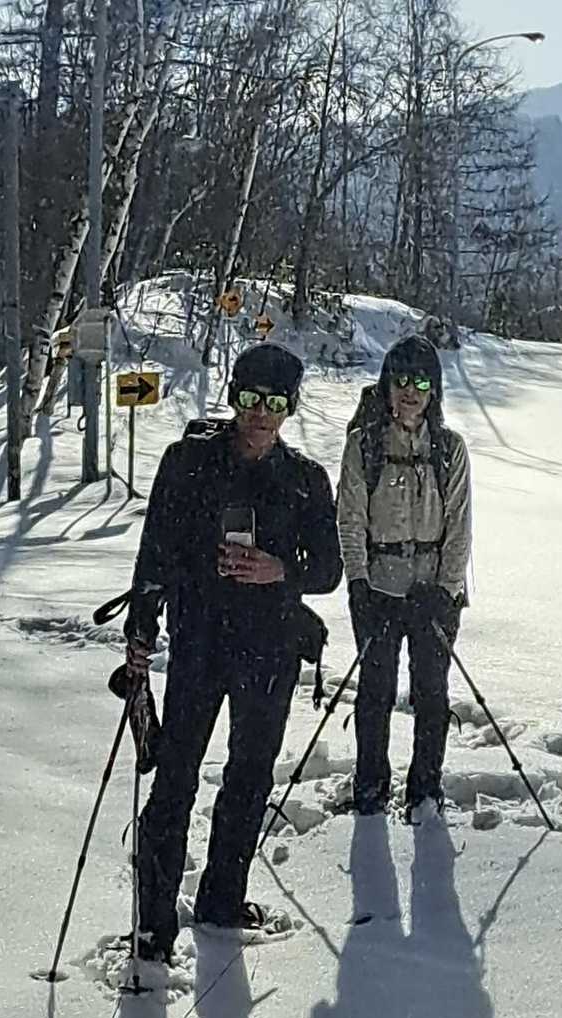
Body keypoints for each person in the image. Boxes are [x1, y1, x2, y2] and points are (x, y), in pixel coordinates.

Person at [119, 343, 342, 963]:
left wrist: (279, 569)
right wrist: (141, 628)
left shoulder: (305, 480)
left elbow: (329, 570)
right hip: (199, 641)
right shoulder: (188, 462)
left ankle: (222, 899)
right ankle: (152, 926)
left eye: (274, 403)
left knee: (249, 778)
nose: (259, 414)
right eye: (248, 399)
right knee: (175, 779)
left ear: (290, 407)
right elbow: (154, 553)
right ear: (232, 396)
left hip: (270, 650)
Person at [336, 334, 472, 820]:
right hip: (379, 587)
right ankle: (370, 787)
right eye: (401, 381)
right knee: (375, 692)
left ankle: (425, 789)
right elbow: (350, 518)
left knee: (432, 694)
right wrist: (359, 584)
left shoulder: (449, 448)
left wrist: (446, 592)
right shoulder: (364, 445)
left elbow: (459, 526)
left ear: (434, 389)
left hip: (433, 590)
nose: (410, 391)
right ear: (387, 386)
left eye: (421, 382)